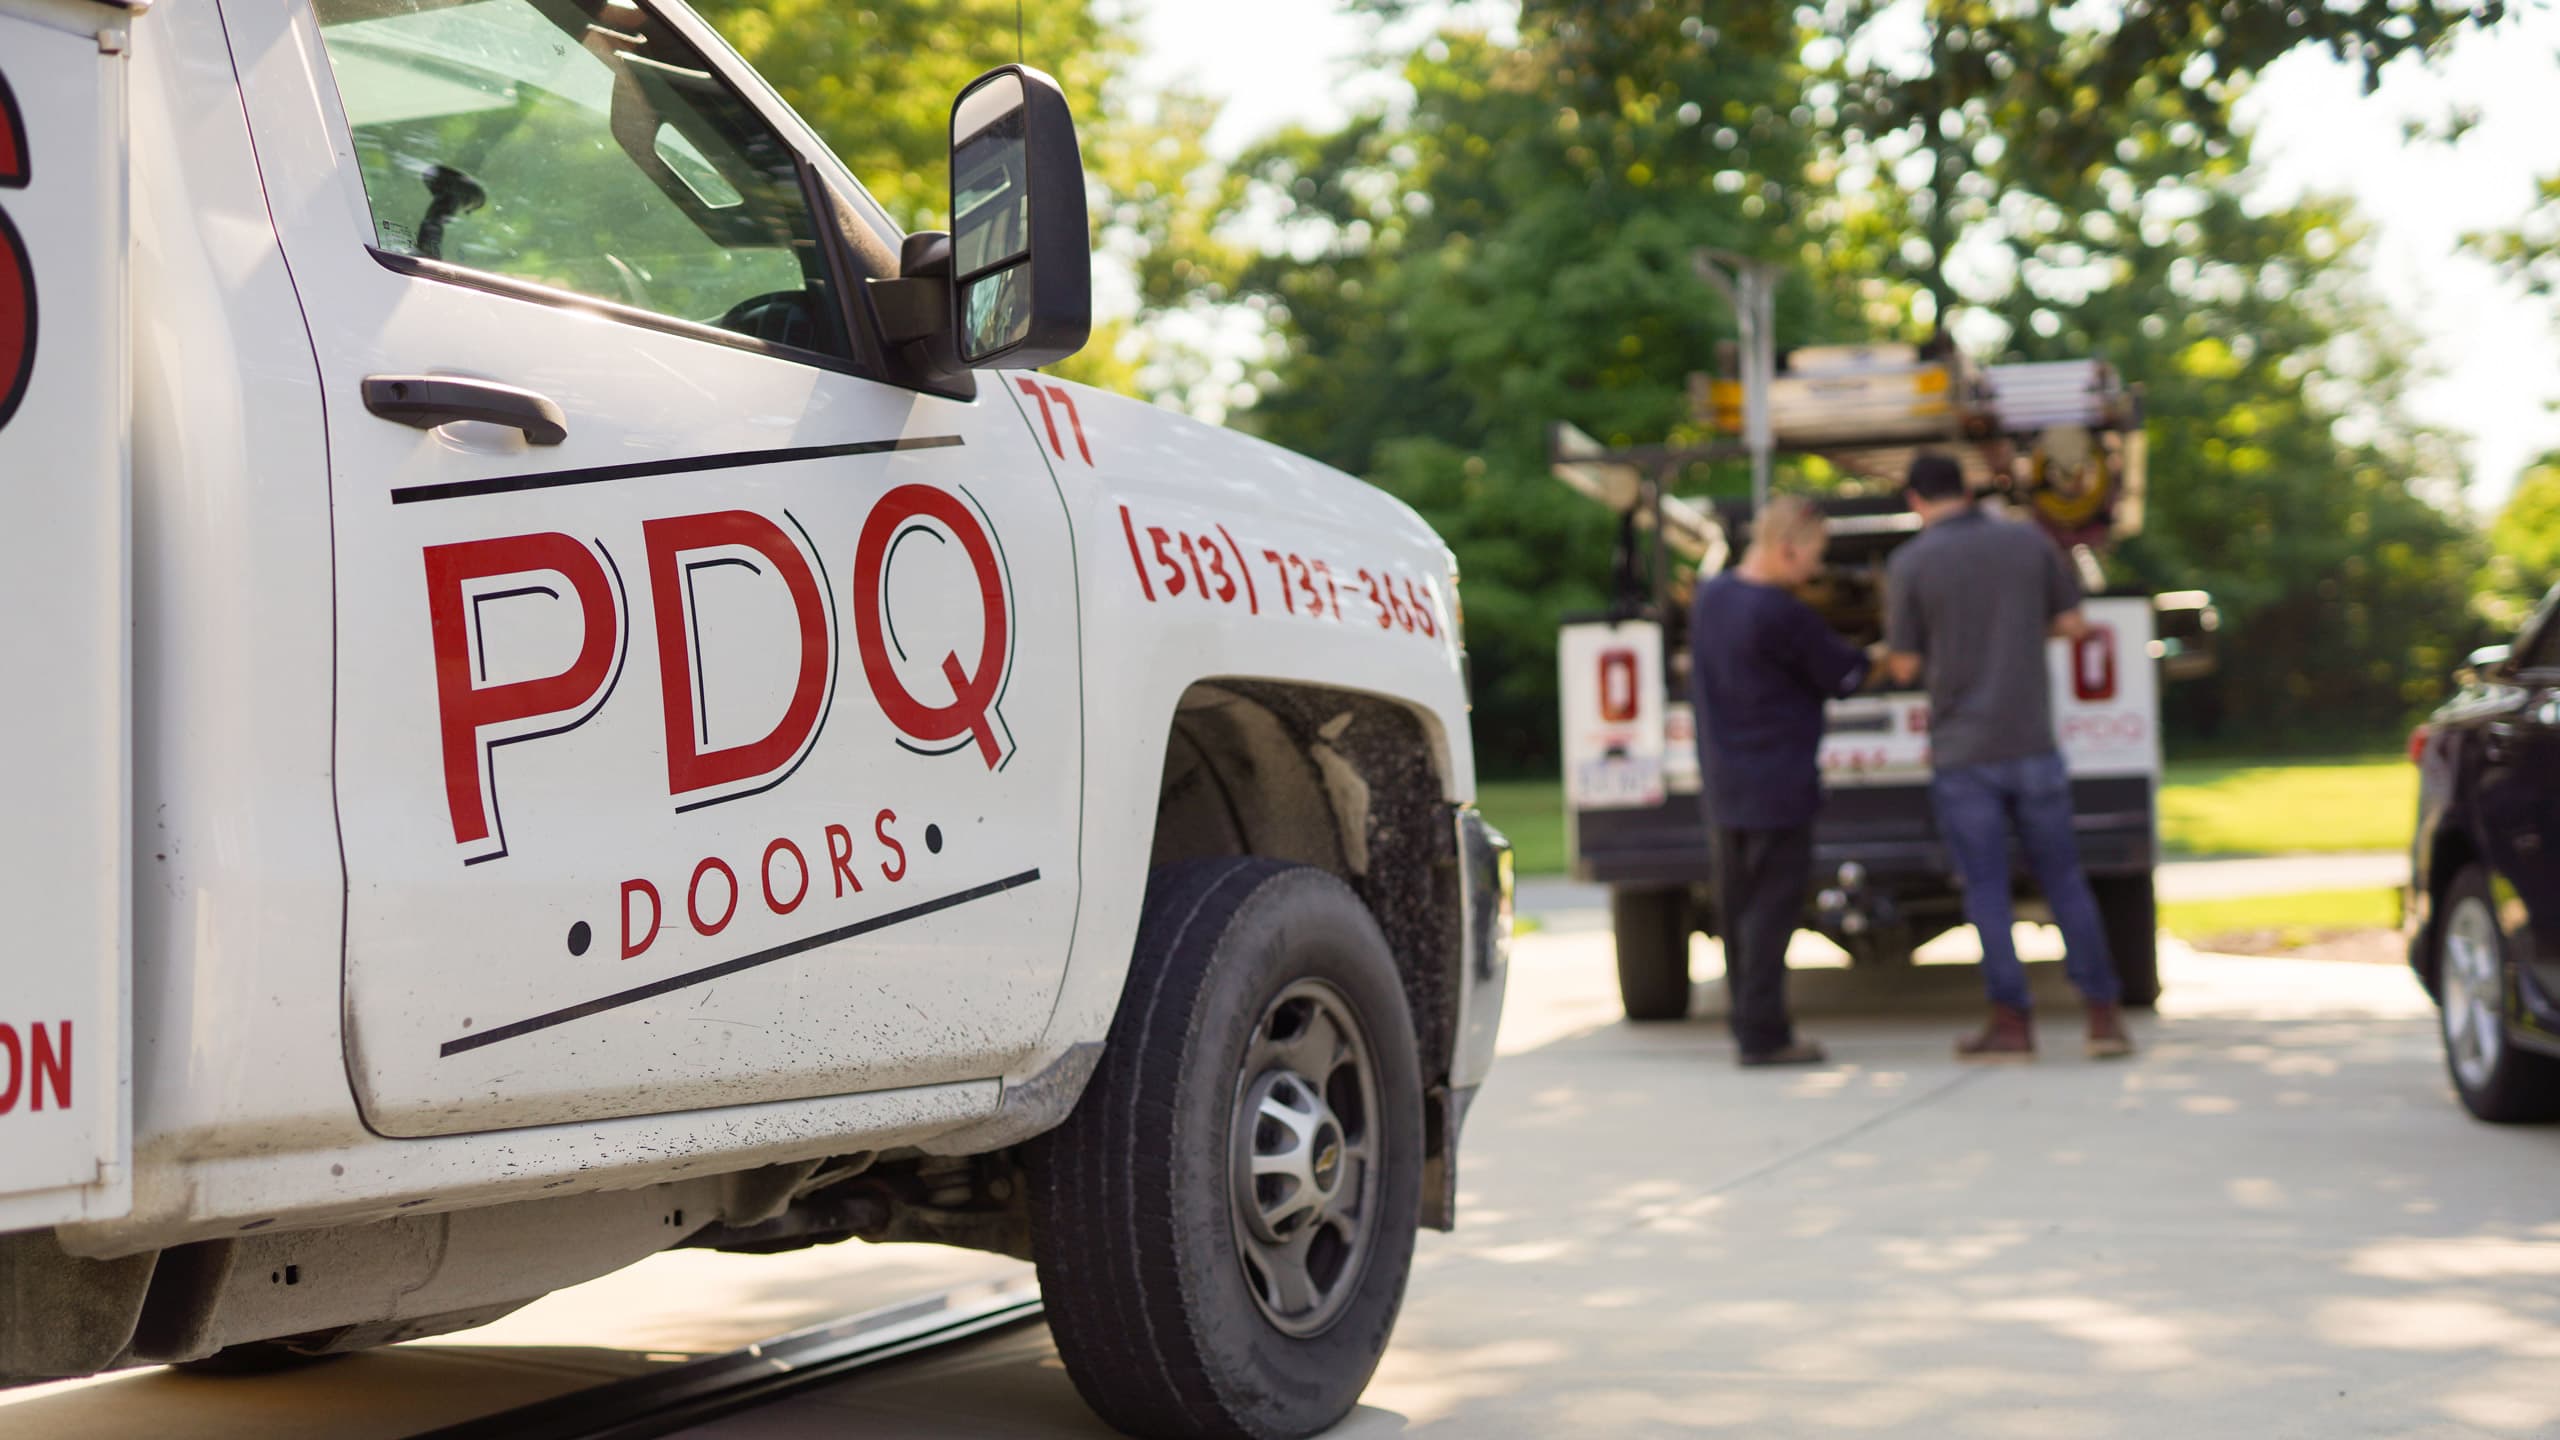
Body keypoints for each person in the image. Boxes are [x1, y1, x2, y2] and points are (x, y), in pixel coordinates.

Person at [1883, 453, 2134, 1061]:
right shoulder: (2028, 542)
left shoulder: (1911, 562)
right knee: (2064, 878)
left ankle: (2012, 1024)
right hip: (2032, 742)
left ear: (1915, 499)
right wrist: (2023, 634)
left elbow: (1906, 664)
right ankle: (2102, 1018)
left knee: (1987, 889)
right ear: (1966, 490)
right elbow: (2074, 625)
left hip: (1963, 752)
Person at [1689, 494, 1872, 1067]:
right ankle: (1765, 1035)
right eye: (1813, 555)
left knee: (1738, 910)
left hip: (1724, 780)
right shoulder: (1783, 614)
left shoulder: (1712, 598)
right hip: (1780, 784)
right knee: (1772, 912)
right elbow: (1844, 673)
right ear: (1787, 548)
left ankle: (1745, 1022)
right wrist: (1883, 657)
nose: (1817, 569)